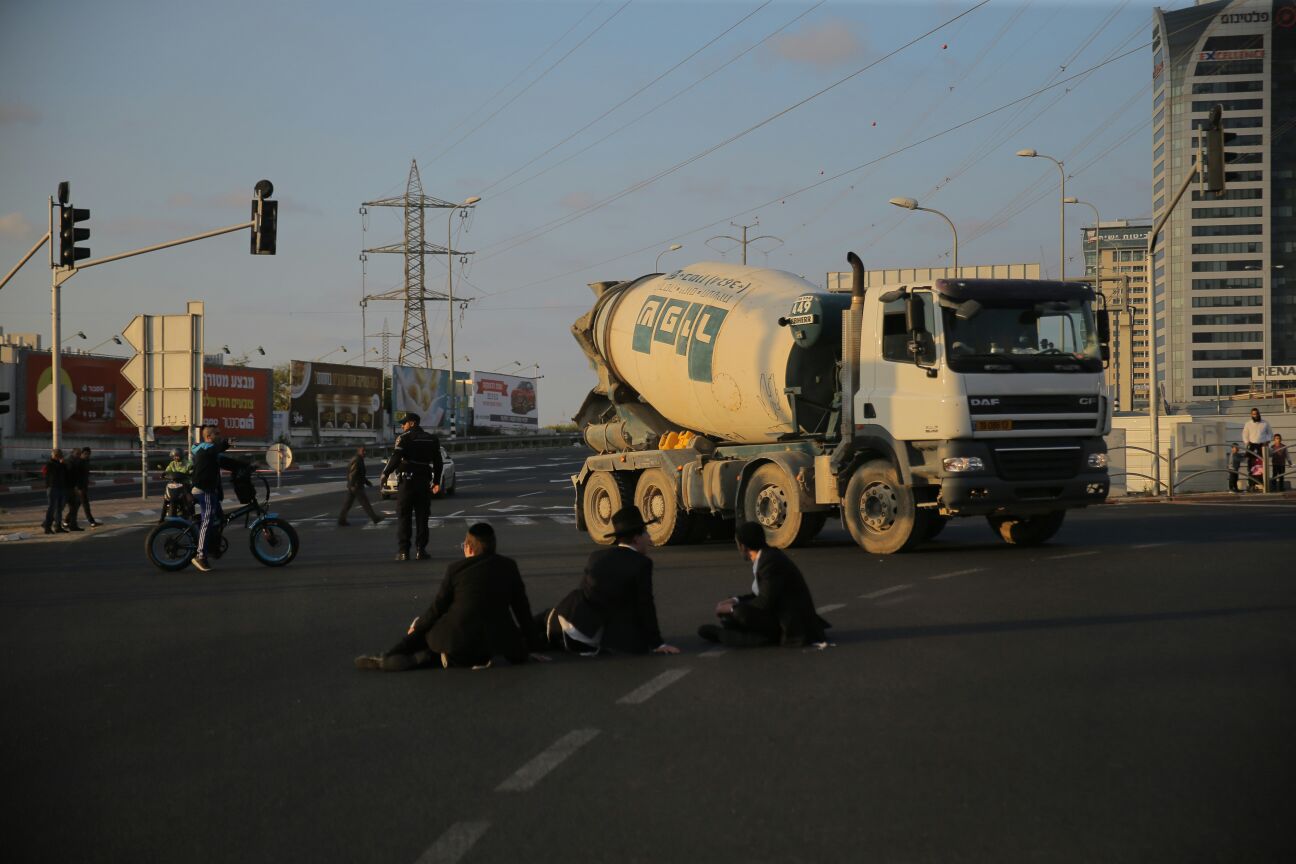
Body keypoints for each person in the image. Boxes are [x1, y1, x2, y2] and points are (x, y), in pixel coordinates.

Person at [354, 523, 543, 671]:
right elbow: (522, 610)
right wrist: (532, 646)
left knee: (429, 628)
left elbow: (437, 609)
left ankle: (391, 655)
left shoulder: (456, 569)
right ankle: (432, 656)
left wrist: (417, 627)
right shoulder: (509, 566)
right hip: (501, 647)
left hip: (460, 645)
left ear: (468, 547)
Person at [536, 506, 681, 656]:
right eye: (646, 533)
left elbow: (586, 594)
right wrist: (658, 643)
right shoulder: (641, 563)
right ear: (637, 539)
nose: (649, 538)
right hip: (591, 638)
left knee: (540, 620)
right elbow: (645, 604)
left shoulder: (596, 556)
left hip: (566, 619)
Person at [698, 522, 830, 648]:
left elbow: (764, 602)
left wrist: (732, 608)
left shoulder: (770, 562)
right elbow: (760, 594)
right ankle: (740, 633)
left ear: (743, 547)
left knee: (740, 613)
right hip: (776, 613)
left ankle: (727, 635)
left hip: (792, 626)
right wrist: (734, 600)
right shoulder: (766, 557)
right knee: (730, 615)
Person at [379, 412, 443, 561]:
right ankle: (421, 550)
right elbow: (438, 462)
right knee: (422, 517)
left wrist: (385, 474)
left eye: (404, 423)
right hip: (423, 482)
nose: (402, 426)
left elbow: (395, 458)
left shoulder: (404, 438)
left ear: (412, 423)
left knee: (404, 517)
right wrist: (437, 482)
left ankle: (403, 551)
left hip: (407, 483)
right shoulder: (432, 439)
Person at [190, 426, 245, 572]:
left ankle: (212, 547)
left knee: (219, 520)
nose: (220, 435)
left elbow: (227, 462)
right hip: (204, 490)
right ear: (208, 436)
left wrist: (248, 466)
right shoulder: (204, 449)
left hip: (211, 490)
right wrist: (226, 443)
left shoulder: (212, 452)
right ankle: (200, 556)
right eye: (217, 434)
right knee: (207, 520)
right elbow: (215, 449)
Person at [338, 444, 383, 526]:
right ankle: (375, 518)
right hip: (356, 486)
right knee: (365, 503)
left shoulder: (359, 459)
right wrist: (352, 485)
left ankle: (341, 520)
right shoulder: (357, 460)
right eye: (363, 451)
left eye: (365, 451)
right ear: (358, 451)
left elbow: (360, 474)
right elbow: (353, 474)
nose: (365, 452)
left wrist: (366, 482)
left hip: (354, 485)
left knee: (348, 504)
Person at [1242, 407, 1273, 491]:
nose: (1255, 415)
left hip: (1262, 446)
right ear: (1251, 415)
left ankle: (1263, 484)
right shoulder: (1248, 424)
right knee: (1251, 466)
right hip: (1252, 446)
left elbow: (1270, 433)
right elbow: (1245, 434)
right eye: (1253, 414)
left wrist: (1267, 441)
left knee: (1262, 466)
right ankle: (1252, 485)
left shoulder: (1265, 423)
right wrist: (1246, 442)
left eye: (1256, 414)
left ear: (1259, 414)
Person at [41, 448, 68, 535]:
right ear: (56, 456)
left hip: (60, 487)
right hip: (53, 488)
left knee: (59, 508)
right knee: (52, 508)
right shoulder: (50, 464)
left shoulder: (60, 464)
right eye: (60, 455)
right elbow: (52, 474)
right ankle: (47, 527)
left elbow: (64, 472)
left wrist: (63, 464)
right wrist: (61, 464)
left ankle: (58, 526)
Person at [60, 448, 84, 531]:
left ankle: (73, 525)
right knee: (60, 507)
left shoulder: (76, 461)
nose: (79, 455)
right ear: (72, 453)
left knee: (75, 505)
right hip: (66, 488)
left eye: (79, 453)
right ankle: (48, 523)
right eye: (77, 453)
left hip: (71, 487)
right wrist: (75, 487)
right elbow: (70, 476)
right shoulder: (68, 462)